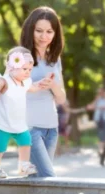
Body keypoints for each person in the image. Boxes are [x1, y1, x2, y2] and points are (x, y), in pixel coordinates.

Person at [0, 46, 47, 178]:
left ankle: (23, 166)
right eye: (24, 69)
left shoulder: (24, 82)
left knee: (26, 141)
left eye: (30, 70)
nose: (27, 72)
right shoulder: (5, 80)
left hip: (18, 123)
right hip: (2, 123)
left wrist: (40, 84)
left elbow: (32, 87)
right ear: (12, 66)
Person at [21, 6, 66, 177]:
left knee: (36, 182)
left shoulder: (55, 58)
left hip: (51, 129)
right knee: (48, 177)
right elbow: (10, 89)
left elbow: (61, 99)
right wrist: (33, 86)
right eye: (39, 30)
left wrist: (53, 85)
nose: (44, 36)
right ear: (30, 29)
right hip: (29, 128)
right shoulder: (20, 57)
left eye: (49, 31)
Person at [86, 87, 105, 155]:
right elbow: (90, 107)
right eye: (99, 92)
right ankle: (101, 150)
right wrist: (93, 103)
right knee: (101, 134)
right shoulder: (97, 99)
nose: (100, 94)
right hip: (99, 119)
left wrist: (97, 107)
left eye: (101, 92)